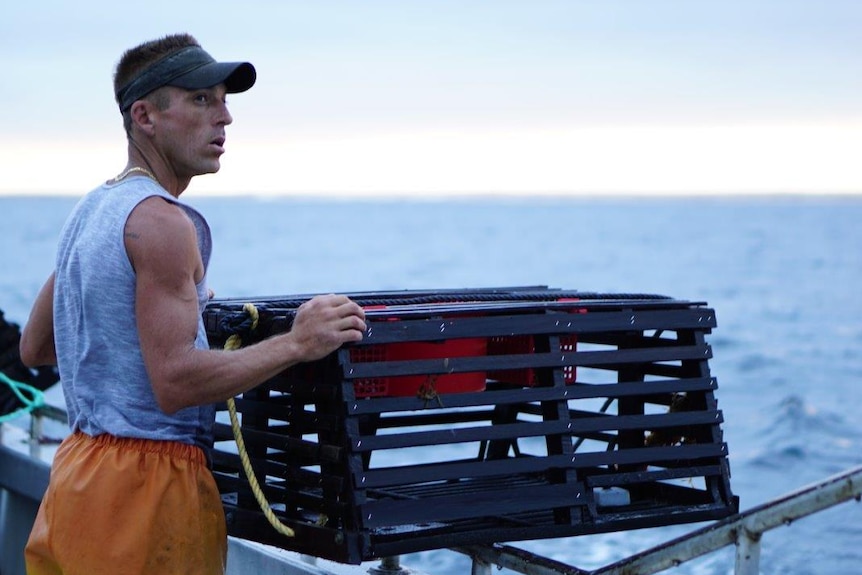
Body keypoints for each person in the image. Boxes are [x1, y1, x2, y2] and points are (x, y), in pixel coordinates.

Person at [19, 33, 366, 575]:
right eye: (201, 99)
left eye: (224, 100)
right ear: (145, 116)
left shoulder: (93, 211)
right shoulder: (161, 223)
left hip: (79, 477)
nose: (224, 117)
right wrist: (298, 342)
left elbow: (37, 347)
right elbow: (176, 382)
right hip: (148, 490)